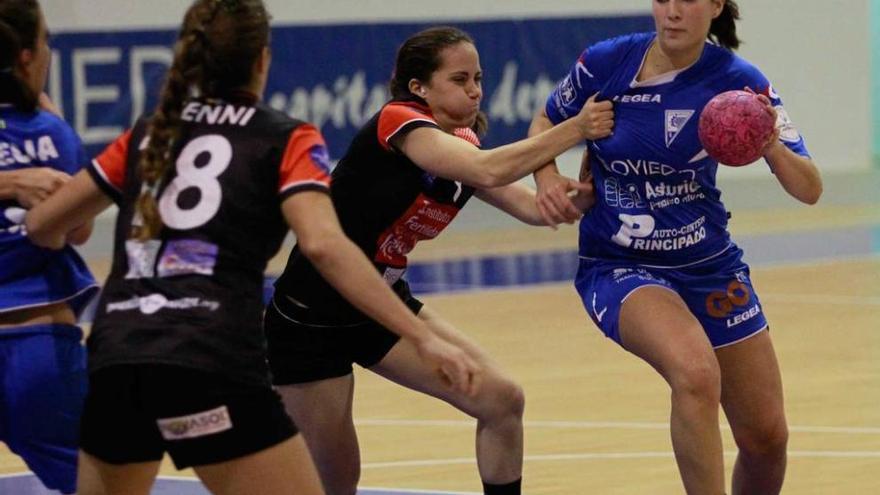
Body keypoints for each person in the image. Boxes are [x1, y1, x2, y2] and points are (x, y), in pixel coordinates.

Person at [25, 2, 482, 494]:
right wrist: (422, 335)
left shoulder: (149, 133)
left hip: (119, 355)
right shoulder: (283, 139)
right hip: (208, 356)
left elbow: (44, 226)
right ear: (262, 60)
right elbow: (326, 247)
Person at [264, 25, 605, 495]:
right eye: (460, 79)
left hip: (381, 305)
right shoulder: (398, 123)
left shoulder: (461, 144)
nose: (475, 90)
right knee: (336, 481)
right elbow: (490, 169)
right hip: (311, 318)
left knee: (502, 400)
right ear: (419, 87)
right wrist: (576, 128)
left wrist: (578, 198)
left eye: (478, 79)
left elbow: (530, 207)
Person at [529, 1, 823, 494]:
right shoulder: (606, 63)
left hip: (709, 265)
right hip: (621, 263)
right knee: (695, 370)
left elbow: (809, 188)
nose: (673, 11)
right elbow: (545, 119)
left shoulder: (740, 81)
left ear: (714, 6)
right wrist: (547, 178)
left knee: (767, 438)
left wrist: (768, 140)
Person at [0, 1, 97, 493]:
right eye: (47, 41)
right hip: (36, 348)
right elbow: (75, 231)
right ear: (25, 56)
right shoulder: (50, 134)